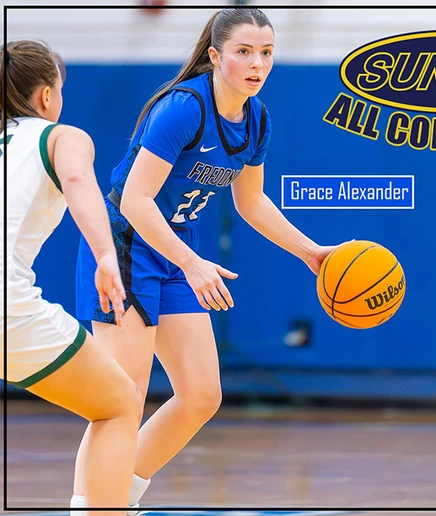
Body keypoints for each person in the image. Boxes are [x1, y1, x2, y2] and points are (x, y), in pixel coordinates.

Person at [71, 8, 342, 510]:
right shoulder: (184, 108)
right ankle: (89, 505)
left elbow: (251, 201)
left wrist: (311, 252)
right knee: (120, 396)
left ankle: (115, 496)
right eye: (244, 52)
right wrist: (194, 263)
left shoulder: (256, 117)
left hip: (174, 246)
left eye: (266, 53)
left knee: (200, 395)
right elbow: (134, 200)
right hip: (126, 243)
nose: (257, 63)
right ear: (216, 56)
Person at [1, 40, 143, 513]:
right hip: (9, 308)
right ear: (46, 96)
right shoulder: (61, 136)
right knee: (119, 404)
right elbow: (80, 181)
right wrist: (106, 254)